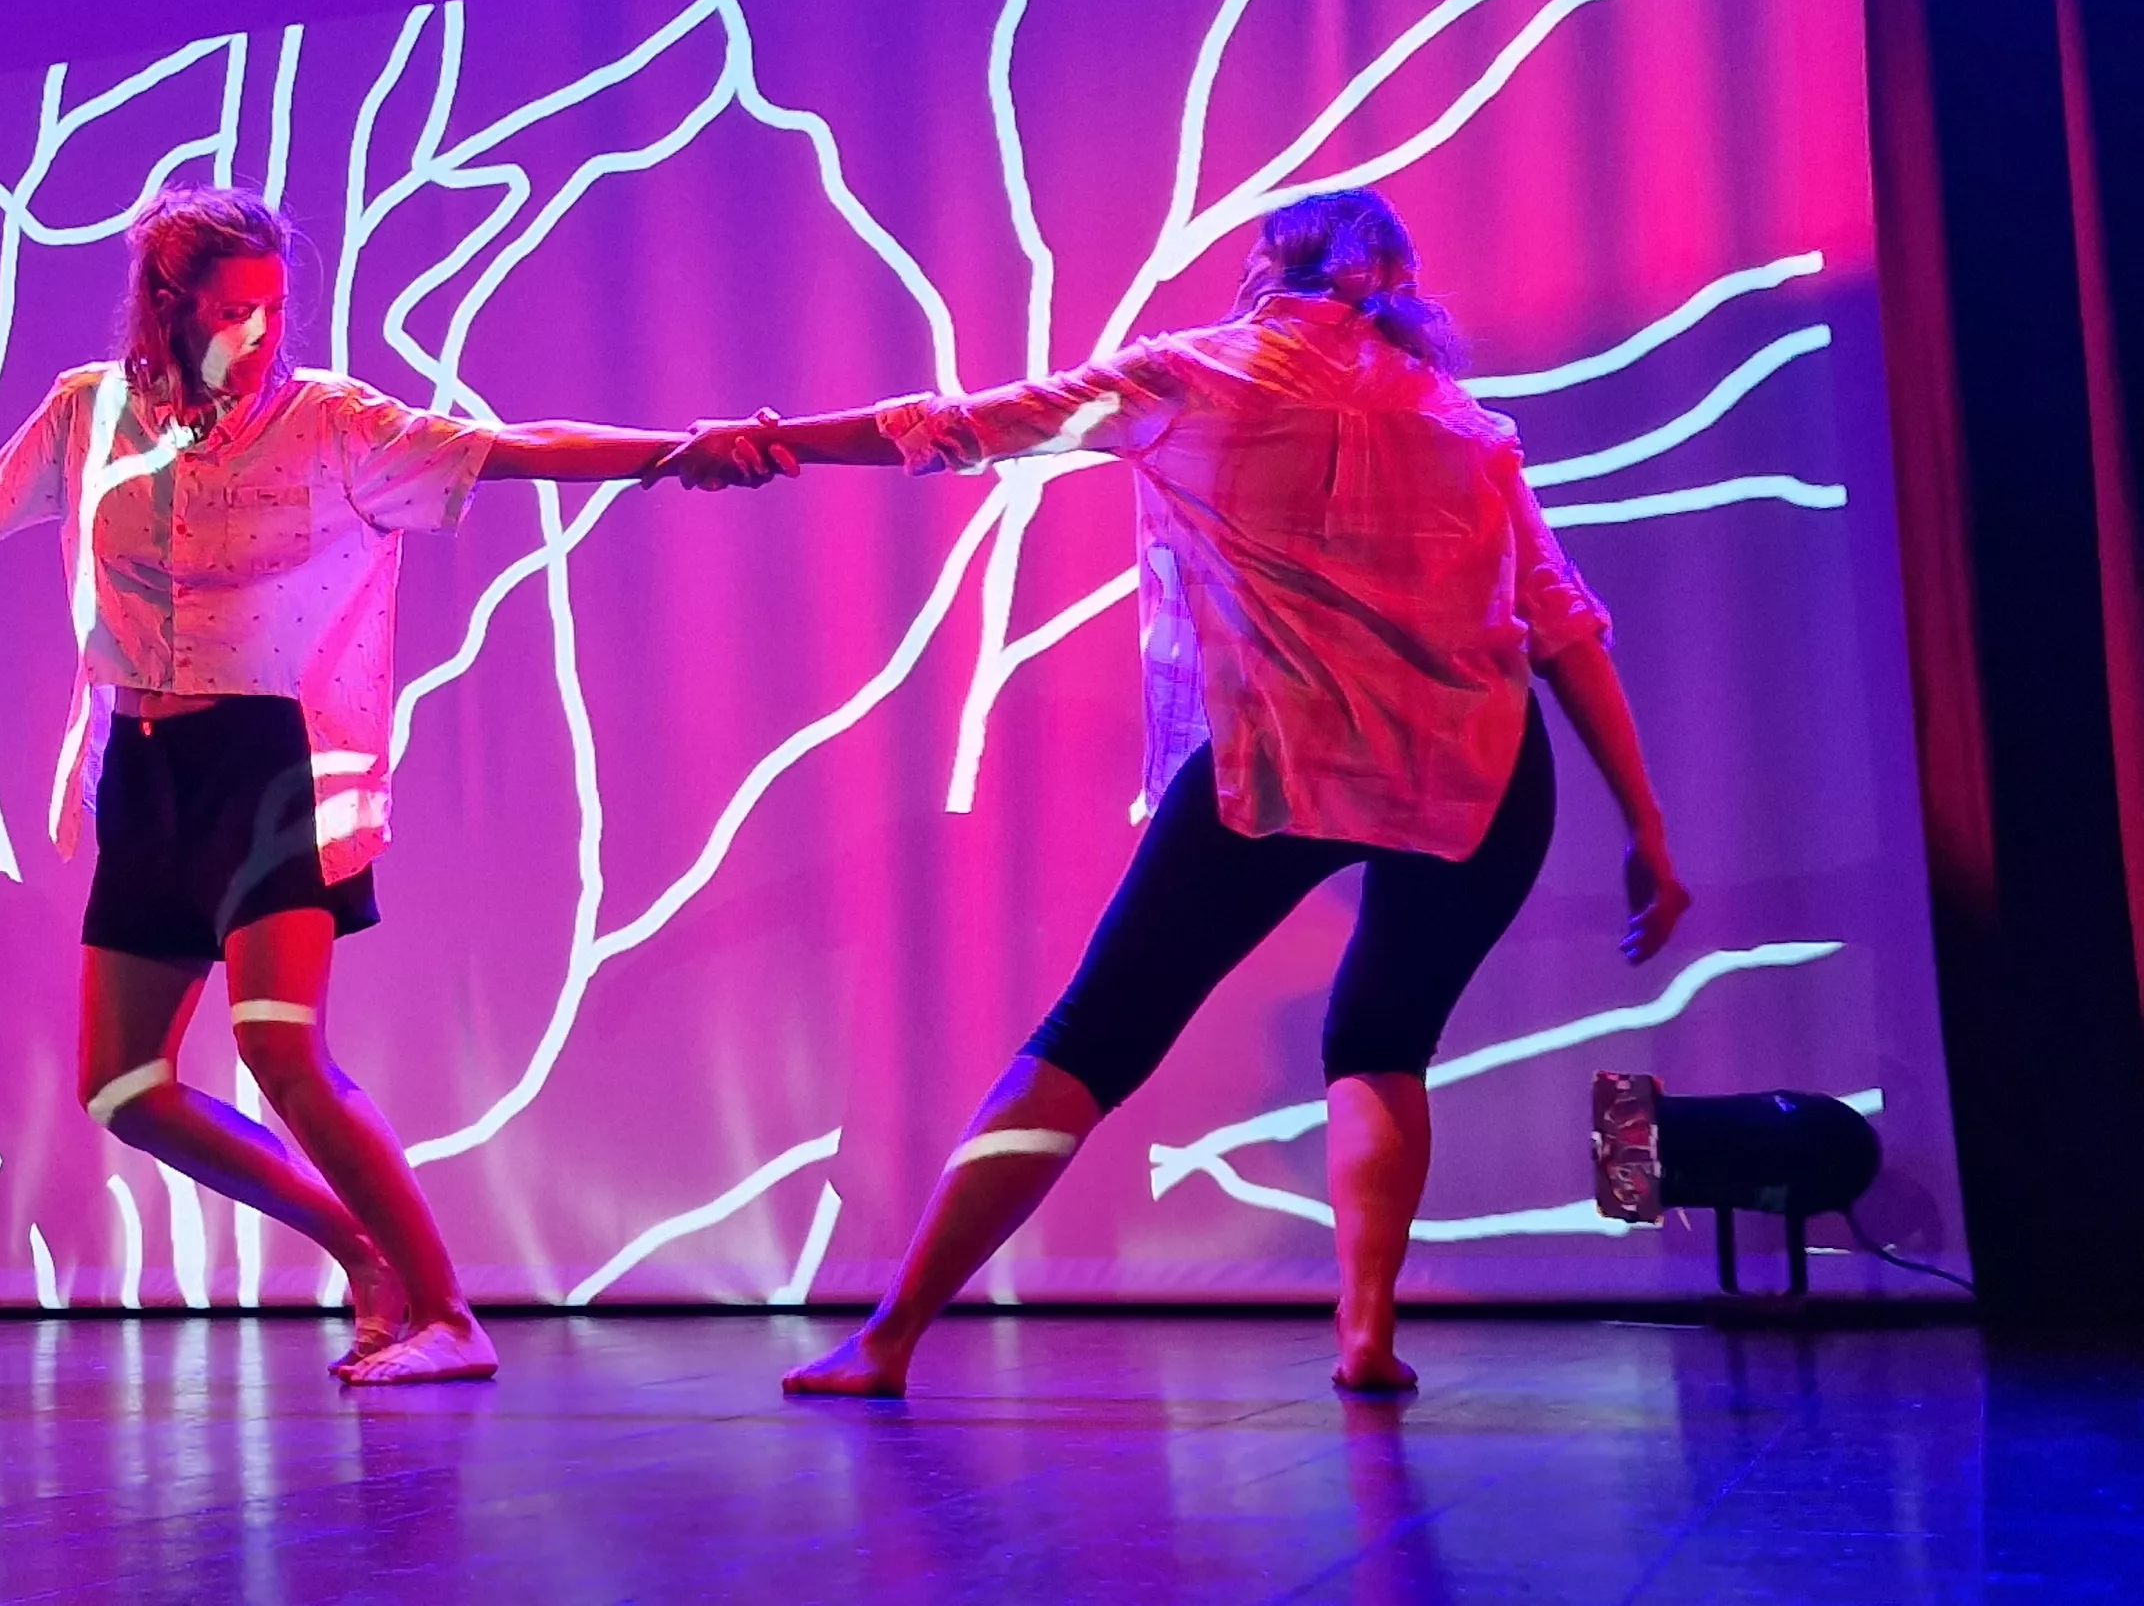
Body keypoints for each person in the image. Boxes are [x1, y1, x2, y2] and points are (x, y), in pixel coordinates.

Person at [689, 189, 1692, 1398]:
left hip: (1280, 762)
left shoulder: (1195, 376)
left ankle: (890, 1337)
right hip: (1477, 774)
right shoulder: (1464, 423)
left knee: (1089, 1041)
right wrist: (1644, 824)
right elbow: (1562, 627)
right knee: (1383, 1041)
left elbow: (960, 428)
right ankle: (1365, 1336)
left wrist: (778, 438)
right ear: (1399, 278)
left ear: (1271, 263)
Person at [0, 185, 762, 1384]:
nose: (258, 335)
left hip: (274, 764)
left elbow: (508, 450)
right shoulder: (88, 413)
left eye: (273, 309)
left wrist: (679, 456)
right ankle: (358, 1251)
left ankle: (446, 1313)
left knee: (280, 1048)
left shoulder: (331, 424)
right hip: (148, 771)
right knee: (123, 1085)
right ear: (162, 308)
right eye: (229, 311)